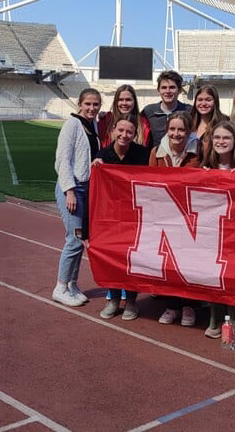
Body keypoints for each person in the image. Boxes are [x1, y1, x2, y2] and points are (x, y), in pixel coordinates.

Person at [202, 121, 235, 339]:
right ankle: (216, 317)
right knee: (213, 276)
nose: (221, 142)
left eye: (226, 138)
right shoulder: (206, 166)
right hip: (212, 232)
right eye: (217, 138)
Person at [92, 115, 150, 321]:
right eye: (121, 131)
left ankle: (131, 301)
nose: (125, 135)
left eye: (130, 132)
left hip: (134, 214)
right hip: (110, 216)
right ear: (113, 131)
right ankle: (113, 298)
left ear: (135, 134)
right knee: (111, 257)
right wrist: (96, 167)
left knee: (132, 258)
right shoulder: (103, 155)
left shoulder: (142, 154)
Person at [148, 111, 201, 326]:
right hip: (167, 215)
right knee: (169, 262)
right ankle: (172, 305)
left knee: (190, 263)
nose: (176, 134)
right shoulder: (156, 153)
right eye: (172, 129)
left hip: (192, 215)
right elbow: (150, 181)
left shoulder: (200, 150)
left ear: (188, 132)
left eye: (181, 130)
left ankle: (190, 306)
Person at [52, 88, 102, 307]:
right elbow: (63, 159)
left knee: (80, 240)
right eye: (88, 104)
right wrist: (69, 190)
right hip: (72, 188)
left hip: (85, 188)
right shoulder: (72, 124)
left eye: (96, 104)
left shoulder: (94, 126)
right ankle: (60, 286)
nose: (92, 108)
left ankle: (72, 283)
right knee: (73, 239)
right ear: (80, 104)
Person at [142, 70, 192, 148]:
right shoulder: (148, 111)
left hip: (182, 158)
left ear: (179, 90)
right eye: (164, 88)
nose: (167, 91)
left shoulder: (189, 111)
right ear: (158, 90)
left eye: (172, 87)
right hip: (155, 158)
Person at [189, 84, 227, 159]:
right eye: (200, 100)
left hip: (212, 169)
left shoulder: (224, 123)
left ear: (215, 101)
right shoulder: (188, 122)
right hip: (190, 168)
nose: (203, 104)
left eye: (208, 100)